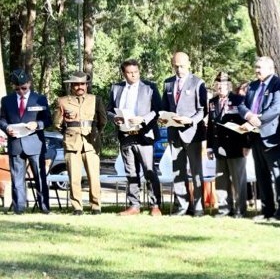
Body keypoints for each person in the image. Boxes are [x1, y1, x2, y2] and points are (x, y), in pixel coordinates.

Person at [239, 56, 280, 221]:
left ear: (270, 68)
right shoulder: (253, 86)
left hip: (273, 136)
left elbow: (277, 108)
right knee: (261, 176)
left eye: (259, 67)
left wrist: (258, 120)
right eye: (255, 67)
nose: (256, 70)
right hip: (255, 137)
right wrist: (249, 116)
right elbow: (242, 105)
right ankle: (267, 210)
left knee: (278, 174)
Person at [108, 59, 163, 216]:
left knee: (149, 171)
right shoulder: (116, 88)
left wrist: (143, 119)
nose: (133, 75)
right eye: (130, 73)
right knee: (131, 172)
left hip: (144, 135)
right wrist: (114, 118)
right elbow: (109, 110)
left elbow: (158, 110)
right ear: (123, 73)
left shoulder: (149, 87)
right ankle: (134, 205)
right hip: (125, 135)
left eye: (136, 72)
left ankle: (155, 205)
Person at [161, 51, 208, 216]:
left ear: (189, 64)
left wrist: (190, 120)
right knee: (178, 171)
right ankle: (182, 206)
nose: (179, 69)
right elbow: (164, 107)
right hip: (174, 134)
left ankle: (199, 207)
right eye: (176, 66)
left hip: (192, 133)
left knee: (196, 172)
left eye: (182, 66)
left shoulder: (198, 83)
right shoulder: (168, 83)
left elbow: (203, 110)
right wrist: (163, 118)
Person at [53, 71, 106, 215]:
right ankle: (77, 207)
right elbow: (57, 123)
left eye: (82, 84)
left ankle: (96, 206)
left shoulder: (95, 99)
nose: (79, 87)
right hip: (72, 142)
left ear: (86, 85)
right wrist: (68, 133)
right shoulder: (63, 101)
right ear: (71, 86)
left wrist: (96, 133)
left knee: (94, 176)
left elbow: (102, 121)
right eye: (76, 84)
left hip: (91, 142)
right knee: (74, 177)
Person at [0, 69, 51, 213]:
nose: (21, 92)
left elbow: (48, 119)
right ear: (13, 86)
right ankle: (19, 209)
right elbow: (1, 119)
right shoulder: (6, 100)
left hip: (35, 144)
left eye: (24, 88)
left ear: (29, 83)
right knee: (17, 179)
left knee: (40, 178)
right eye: (17, 89)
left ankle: (44, 208)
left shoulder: (40, 99)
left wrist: (37, 124)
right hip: (15, 143)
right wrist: (7, 127)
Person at [206, 72, 248, 218]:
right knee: (221, 180)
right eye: (218, 84)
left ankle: (240, 210)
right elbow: (211, 125)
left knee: (238, 180)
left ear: (229, 85)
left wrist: (246, 145)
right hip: (219, 146)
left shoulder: (238, 100)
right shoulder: (212, 102)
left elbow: (245, 123)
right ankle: (224, 209)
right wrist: (209, 147)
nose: (220, 87)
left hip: (236, 146)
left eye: (223, 84)